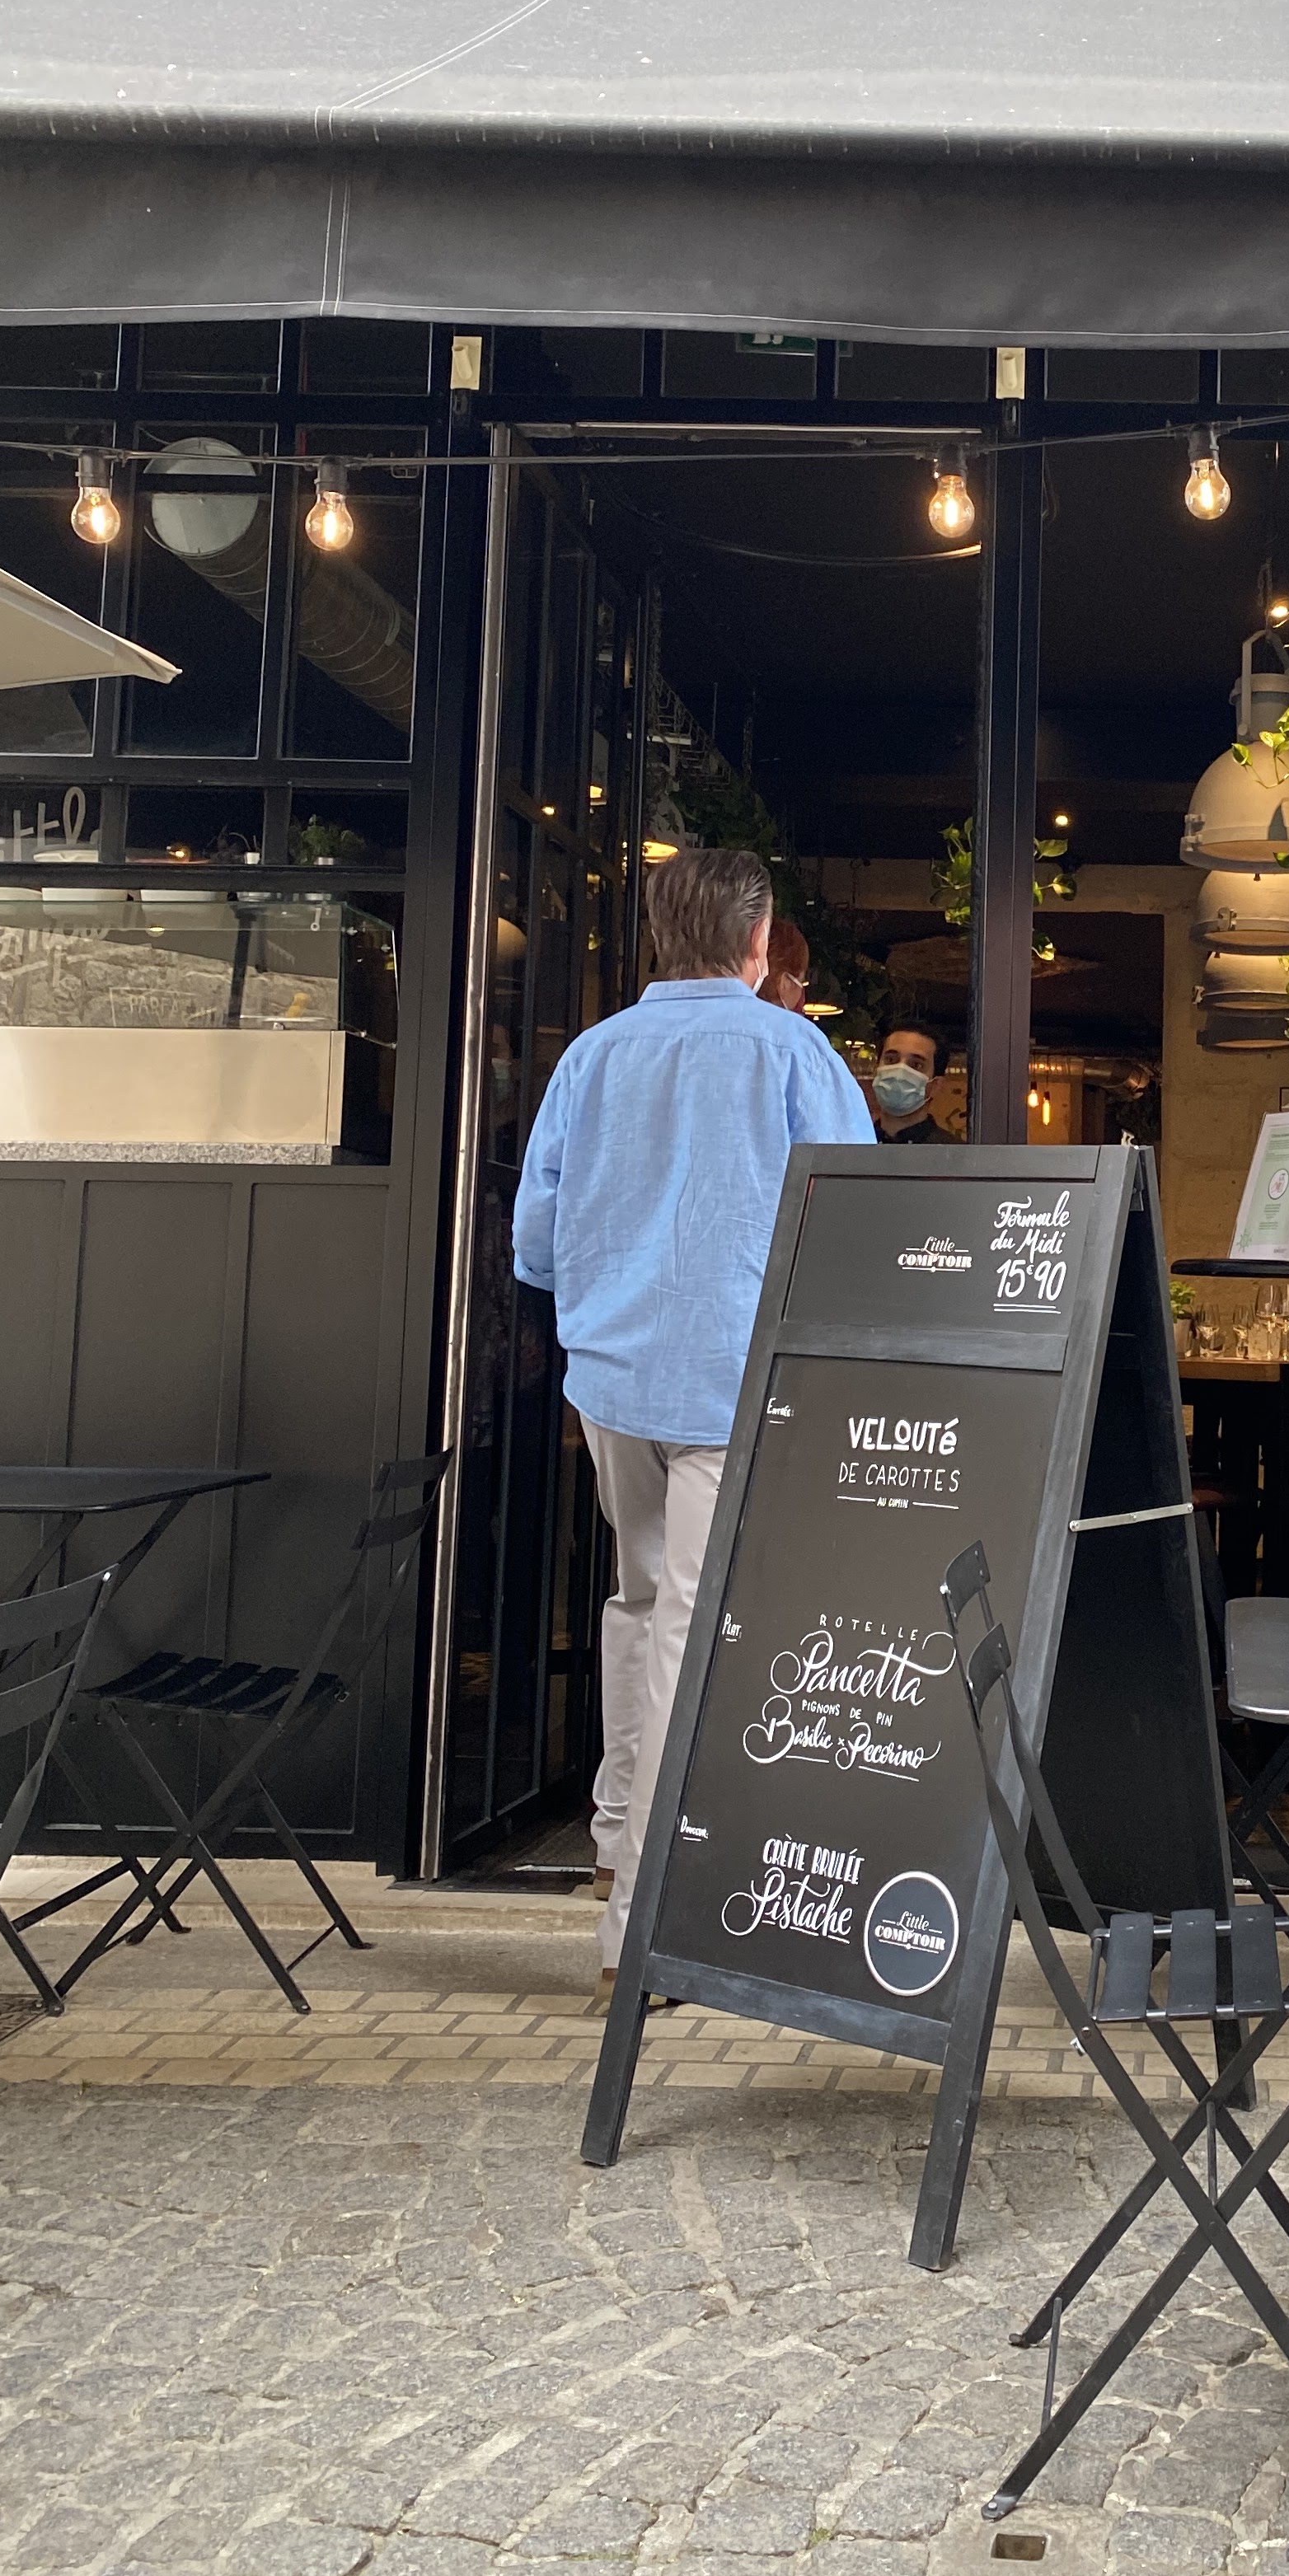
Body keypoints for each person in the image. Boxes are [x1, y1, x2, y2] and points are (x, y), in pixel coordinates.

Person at [513, 846, 873, 2003]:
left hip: (614, 1376)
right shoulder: (795, 1054)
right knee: (690, 1626)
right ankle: (645, 1924)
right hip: (734, 1375)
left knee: (639, 1600)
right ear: (758, 942)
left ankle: (617, 1841)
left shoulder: (592, 1056)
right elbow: (855, 1225)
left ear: (661, 937)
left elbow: (534, 1241)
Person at [868, 1022, 954, 1142]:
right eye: (891, 1059)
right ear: (875, 1070)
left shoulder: (952, 1151)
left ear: (935, 1085)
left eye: (916, 1065)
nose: (900, 1072)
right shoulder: (852, 1145)